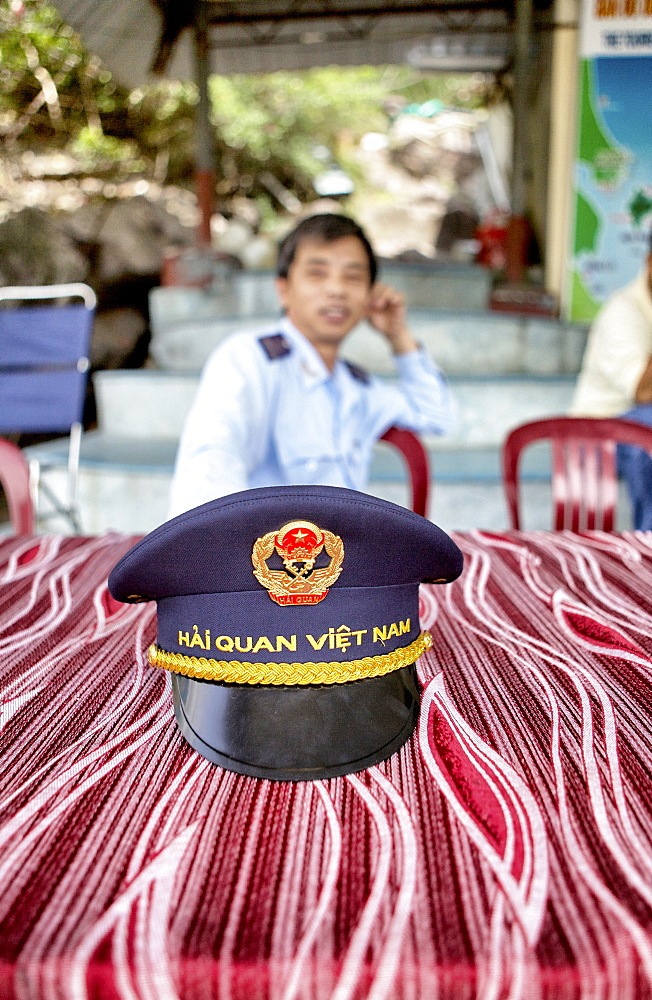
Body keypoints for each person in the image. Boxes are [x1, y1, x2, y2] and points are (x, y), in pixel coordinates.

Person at [168, 213, 453, 517]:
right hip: (264, 557)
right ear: (283, 289)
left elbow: (435, 415)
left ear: (370, 295)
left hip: (342, 556)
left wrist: (398, 335)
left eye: (353, 276)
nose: (336, 290)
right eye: (317, 273)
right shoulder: (250, 360)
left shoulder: (358, 387)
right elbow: (212, 460)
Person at [570, 233, 652, 528]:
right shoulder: (624, 310)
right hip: (595, 432)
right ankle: (647, 546)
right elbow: (643, 391)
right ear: (650, 263)